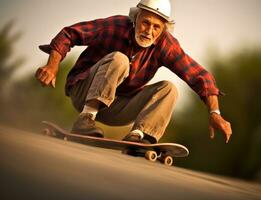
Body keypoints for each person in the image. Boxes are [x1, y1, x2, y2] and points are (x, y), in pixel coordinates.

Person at [35, 0, 232, 144]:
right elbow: (69, 34)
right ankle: (86, 119)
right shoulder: (115, 26)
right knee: (120, 59)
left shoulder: (165, 45)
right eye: (145, 23)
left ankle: (140, 136)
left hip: (117, 108)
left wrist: (215, 112)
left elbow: (200, 76)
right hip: (83, 92)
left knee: (169, 89)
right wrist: (52, 66)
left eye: (156, 27)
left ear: (163, 30)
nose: (149, 31)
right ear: (135, 18)